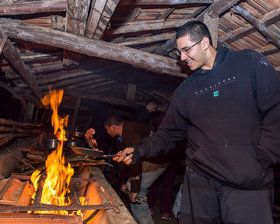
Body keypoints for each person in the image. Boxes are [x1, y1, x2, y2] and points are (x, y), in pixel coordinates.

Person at [114, 20, 280, 224]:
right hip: (201, 185)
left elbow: (276, 108)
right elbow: (168, 134)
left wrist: (264, 157)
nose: (182, 58)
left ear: (204, 42)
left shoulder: (248, 63)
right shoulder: (186, 91)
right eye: (179, 53)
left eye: (186, 50)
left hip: (247, 185)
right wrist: (139, 150)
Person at [103, 114, 168, 224]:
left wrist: (134, 189)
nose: (107, 132)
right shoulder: (120, 137)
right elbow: (123, 162)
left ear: (113, 127)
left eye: (107, 129)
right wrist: (123, 182)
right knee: (130, 185)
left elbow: (135, 161)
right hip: (148, 158)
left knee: (137, 189)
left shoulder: (131, 132)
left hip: (159, 159)